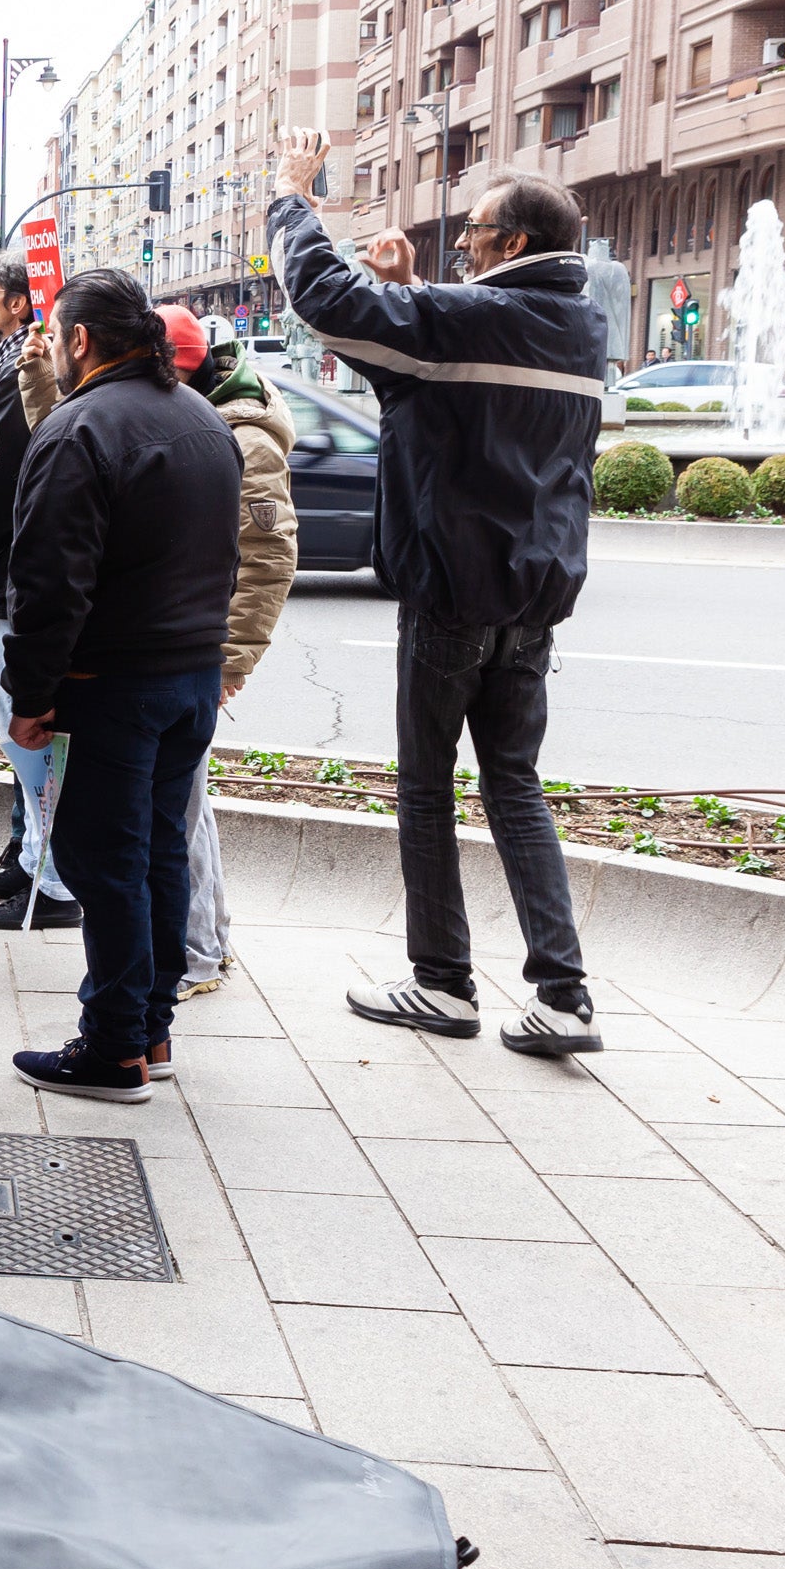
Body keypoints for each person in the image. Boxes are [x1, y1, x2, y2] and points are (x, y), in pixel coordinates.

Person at [272, 127, 606, 1056]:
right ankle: (564, 994)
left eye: (477, 231)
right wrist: (416, 297)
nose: (463, 242)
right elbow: (456, 382)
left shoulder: (470, 317)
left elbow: (323, 301)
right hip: (533, 596)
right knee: (514, 782)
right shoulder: (580, 327)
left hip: (453, 590)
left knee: (426, 788)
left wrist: (297, 196)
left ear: (516, 246)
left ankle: (443, 984)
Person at [3, 270, 241, 1105]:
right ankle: (149, 1028)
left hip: (116, 681)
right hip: (188, 676)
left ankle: (113, 1047)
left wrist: (28, 695)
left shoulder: (79, 429)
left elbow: (49, 584)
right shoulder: (203, 418)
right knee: (155, 852)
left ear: (79, 341)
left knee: (107, 860)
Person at [154, 306, 298, 1019]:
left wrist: (233, 661)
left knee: (181, 809)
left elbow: (269, 556)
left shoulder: (244, 436)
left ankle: (199, 952)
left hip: (201, 652)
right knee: (190, 804)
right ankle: (207, 938)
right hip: (194, 645)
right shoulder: (213, 417)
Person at [0, 258, 80, 930]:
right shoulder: (21, 364)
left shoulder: (35, 372)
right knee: (19, 728)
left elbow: (2, 465)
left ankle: (52, 876)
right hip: (7, 570)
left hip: (13, 574)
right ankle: (34, 859)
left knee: (27, 728)